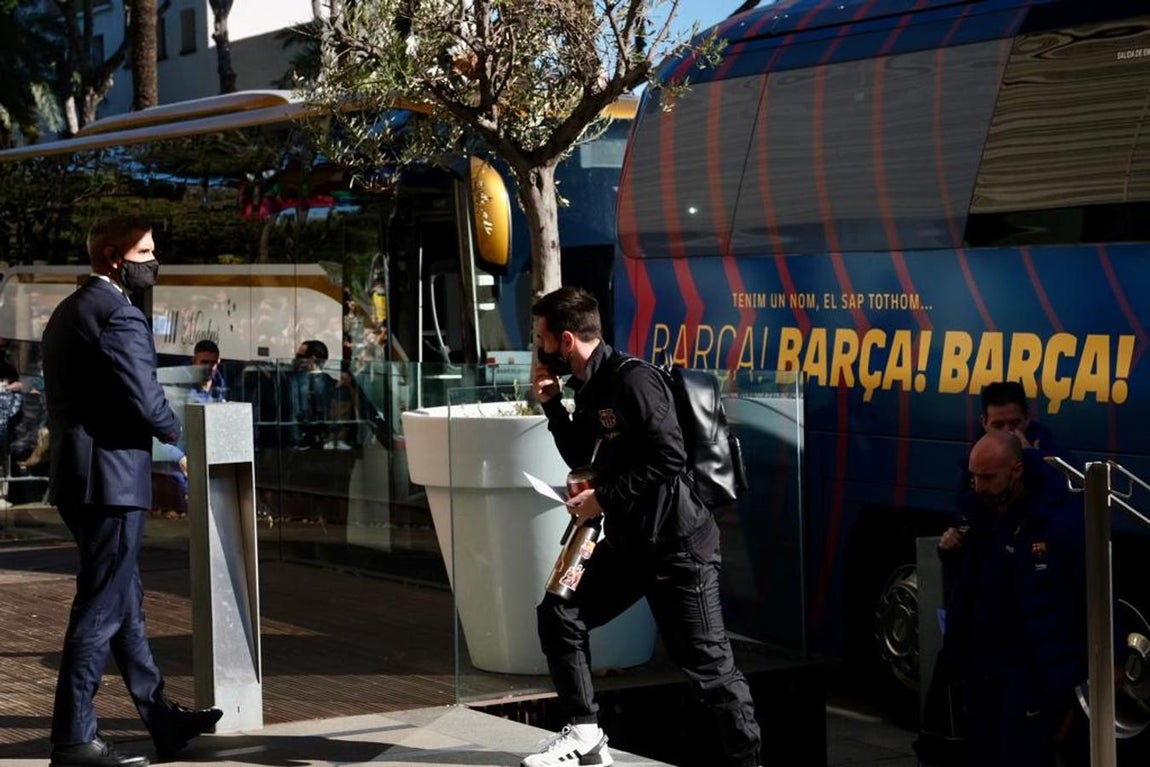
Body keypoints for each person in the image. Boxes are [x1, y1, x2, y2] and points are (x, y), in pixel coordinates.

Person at [525, 286, 761, 767]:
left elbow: (670, 455)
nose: (539, 349)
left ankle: (746, 760)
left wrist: (603, 498)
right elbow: (581, 453)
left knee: (710, 667)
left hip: (678, 546)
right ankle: (586, 735)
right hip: (632, 541)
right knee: (560, 611)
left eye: (542, 339)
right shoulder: (591, 386)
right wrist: (552, 405)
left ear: (565, 340)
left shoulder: (632, 379)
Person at [41, 215, 222, 767]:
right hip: (112, 482)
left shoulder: (70, 309)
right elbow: (145, 399)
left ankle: (161, 720)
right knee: (100, 608)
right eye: (146, 251)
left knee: (124, 602)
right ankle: (74, 739)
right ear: (117, 256)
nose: (154, 260)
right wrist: (181, 441)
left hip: (79, 477)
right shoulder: (118, 313)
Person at [934, 430, 1087, 767]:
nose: (979, 487)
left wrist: (1110, 656)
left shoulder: (1054, 519)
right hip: (982, 663)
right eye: (975, 478)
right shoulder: (979, 513)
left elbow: (1088, 587)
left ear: (1016, 471)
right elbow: (972, 585)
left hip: (1028, 667)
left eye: (988, 478)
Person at [288, 339, 337, 450]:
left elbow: (297, 410)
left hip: (307, 437)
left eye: (300, 356)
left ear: (312, 359)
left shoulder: (298, 381)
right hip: (312, 437)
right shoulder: (328, 381)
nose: (295, 359)